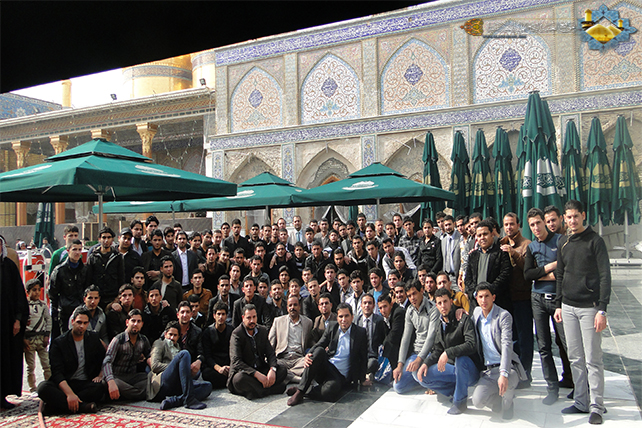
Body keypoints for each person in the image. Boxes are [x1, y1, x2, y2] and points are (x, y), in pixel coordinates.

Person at [554, 200, 611, 425]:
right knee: (575, 357)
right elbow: (560, 274)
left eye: (576, 216)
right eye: (568, 217)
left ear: (583, 215)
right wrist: (558, 304)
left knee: (593, 359)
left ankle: (597, 405)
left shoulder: (595, 241)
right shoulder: (564, 242)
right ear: (565, 218)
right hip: (568, 307)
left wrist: (602, 309)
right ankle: (581, 401)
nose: (572, 221)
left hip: (590, 308)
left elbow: (605, 276)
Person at [524, 207, 573, 405]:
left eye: (538, 223)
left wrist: (541, 274)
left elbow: (566, 269)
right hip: (537, 299)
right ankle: (552, 388)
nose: (536, 227)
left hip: (558, 298)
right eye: (532, 225)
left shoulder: (561, 241)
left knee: (567, 344)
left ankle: (578, 384)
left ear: (544, 222)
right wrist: (550, 268)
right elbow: (528, 274)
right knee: (544, 346)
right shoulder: (531, 247)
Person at [286, 303, 367, 406]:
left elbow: (363, 357)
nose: (343, 319)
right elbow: (320, 344)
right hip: (327, 367)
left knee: (330, 392)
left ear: (352, 317)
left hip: (340, 375)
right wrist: (308, 355)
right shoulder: (332, 327)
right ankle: (300, 392)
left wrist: (362, 379)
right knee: (319, 351)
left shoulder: (360, 333)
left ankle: (305, 390)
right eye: (341, 316)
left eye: (346, 316)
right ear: (337, 318)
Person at [416, 288, 481, 415]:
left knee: (461, 359)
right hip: (452, 368)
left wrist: (448, 353)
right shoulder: (439, 324)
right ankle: (454, 391)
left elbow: (471, 345)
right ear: (436, 305)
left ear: (451, 302)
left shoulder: (463, 319)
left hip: (469, 369)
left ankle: (460, 402)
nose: (443, 306)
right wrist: (426, 363)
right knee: (422, 376)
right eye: (439, 303)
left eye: (445, 301)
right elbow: (438, 350)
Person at [471, 283, 527, 420]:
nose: (484, 300)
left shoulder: (503, 316)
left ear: (494, 297)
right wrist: (459, 311)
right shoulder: (476, 313)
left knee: (506, 391)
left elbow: (507, 345)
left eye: (487, 296)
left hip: (507, 367)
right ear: (477, 299)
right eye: (480, 297)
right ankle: (497, 400)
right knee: (477, 401)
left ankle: (508, 403)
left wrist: (504, 373)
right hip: (489, 371)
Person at [37, 308, 105, 414]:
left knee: (100, 387)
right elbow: (57, 373)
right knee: (43, 388)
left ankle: (55, 407)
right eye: (79, 322)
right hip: (66, 382)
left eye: (85, 323)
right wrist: (69, 394)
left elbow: (105, 359)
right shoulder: (59, 343)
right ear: (72, 322)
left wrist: (100, 375)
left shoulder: (93, 338)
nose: (81, 326)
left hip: (84, 383)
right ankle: (83, 407)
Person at [499, 212, 533, 386]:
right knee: (509, 338)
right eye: (506, 224)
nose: (509, 227)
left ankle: (525, 375)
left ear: (518, 225)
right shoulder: (501, 243)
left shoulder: (527, 244)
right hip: (506, 299)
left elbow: (528, 269)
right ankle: (513, 372)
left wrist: (513, 252)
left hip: (522, 298)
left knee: (524, 338)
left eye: (512, 224)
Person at [147, 321, 211, 410]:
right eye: (170, 334)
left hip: (176, 385)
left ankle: (175, 400)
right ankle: (189, 399)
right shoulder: (159, 343)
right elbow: (155, 366)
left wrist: (186, 370)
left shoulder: (178, 347)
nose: (172, 338)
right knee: (185, 353)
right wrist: (177, 367)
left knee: (207, 386)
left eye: (175, 335)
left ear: (178, 337)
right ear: (165, 334)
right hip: (162, 382)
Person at [228, 304, 288, 399]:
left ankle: (255, 392)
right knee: (238, 379)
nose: (252, 321)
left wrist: (272, 369)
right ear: (243, 318)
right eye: (248, 318)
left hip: (260, 368)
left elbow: (270, 353)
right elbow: (236, 362)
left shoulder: (262, 330)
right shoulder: (237, 334)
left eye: (254, 317)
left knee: (282, 370)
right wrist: (256, 374)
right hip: (246, 373)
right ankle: (270, 390)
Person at [392, 279, 439, 394]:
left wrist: (419, 360)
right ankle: (423, 381)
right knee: (398, 386)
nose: (412, 298)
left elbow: (431, 337)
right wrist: (400, 364)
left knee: (416, 371)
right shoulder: (410, 311)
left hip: (430, 353)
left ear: (422, 291)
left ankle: (427, 381)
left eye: (414, 293)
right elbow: (405, 338)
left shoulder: (433, 309)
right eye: (409, 296)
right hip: (416, 353)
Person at [103, 309, 152, 401]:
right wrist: (110, 381)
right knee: (113, 384)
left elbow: (149, 356)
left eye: (138, 321)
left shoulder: (143, 340)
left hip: (132, 377)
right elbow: (107, 362)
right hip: (117, 376)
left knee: (151, 379)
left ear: (142, 324)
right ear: (127, 322)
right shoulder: (118, 340)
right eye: (133, 321)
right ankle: (138, 394)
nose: (135, 324)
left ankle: (126, 394)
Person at [464, 219, 512, 311]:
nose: (482, 237)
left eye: (485, 234)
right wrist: (476, 294)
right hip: (476, 305)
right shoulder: (473, 255)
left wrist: (489, 293)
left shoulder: (501, 253)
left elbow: (505, 275)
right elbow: (468, 279)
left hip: (498, 303)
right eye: (479, 235)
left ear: (492, 234)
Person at [269, 296, 313, 383]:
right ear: (287, 308)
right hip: (283, 359)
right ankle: (296, 378)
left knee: (311, 362)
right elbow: (270, 342)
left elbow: (311, 341)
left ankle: (286, 375)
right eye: (290, 305)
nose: (292, 307)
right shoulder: (278, 321)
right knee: (273, 365)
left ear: (299, 306)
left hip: (299, 359)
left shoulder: (308, 322)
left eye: (295, 305)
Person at [49, 239, 87, 334]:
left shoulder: (85, 270)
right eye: (74, 249)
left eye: (79, 249)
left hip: (81, 310)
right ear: (68, 251)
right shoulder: (59, 270)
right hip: (64, 311)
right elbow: (53, 293)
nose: (77, 252)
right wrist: (56, 310)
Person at [24, 278, 52, 393]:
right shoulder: (25, 306)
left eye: (38, 290)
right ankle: (32, 388)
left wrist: (47, 335)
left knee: (46, 364)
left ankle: (49, 385)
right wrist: (24, 337)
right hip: (29, 339)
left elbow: (48, 320)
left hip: (41, 338)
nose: (37, 292)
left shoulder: (43, 305)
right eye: (34, 290)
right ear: (28, 292)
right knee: (30, 366)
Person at [86, 227, 125, 307]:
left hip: (113, 297)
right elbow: (88, 279)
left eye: (109, 237)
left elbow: (121, 278)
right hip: (96, 298)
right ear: (99, 239)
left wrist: (118, 297)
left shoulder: (118, 257)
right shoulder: (93, 257)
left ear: (112, 239)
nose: (106, 240)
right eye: (104, 237)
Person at [202, 301, 234, 389]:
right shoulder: (208, 332)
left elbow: (234, 352)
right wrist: (219, 368)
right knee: (206, 373)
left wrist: (229, 367)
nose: (221, 317)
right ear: (214, 315)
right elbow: (207, 356)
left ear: (226, 316)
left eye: (223, 314)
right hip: (215, 367)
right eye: (218, 314)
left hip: (228, 366)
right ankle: (229, 381)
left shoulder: (232, 331)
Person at [355, 294, 385, 384]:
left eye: (369, 303)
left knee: (371, 364)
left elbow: (383, 338)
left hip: (372, 356)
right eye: (365, 303)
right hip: (359, 356)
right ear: (361, 305)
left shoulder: (379, 321)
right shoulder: (356, 321)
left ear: (373, 305)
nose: (367, 305)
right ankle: (365, 376)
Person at [377, 294, 405, 376]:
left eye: (385, 306)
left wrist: (384, 345)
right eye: (380, 308)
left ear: (391, 304)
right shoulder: (385, 317)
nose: (383, 310)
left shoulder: (398, 313)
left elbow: (395, 334)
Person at [440, 215, 461, 286]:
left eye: (449, 224)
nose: (448, 227)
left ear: (454, 224)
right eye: (446, 225)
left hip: (457, 277)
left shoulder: (460, 238)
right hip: (446, 277)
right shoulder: (443, 240)